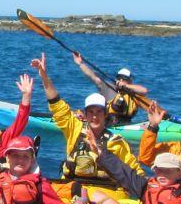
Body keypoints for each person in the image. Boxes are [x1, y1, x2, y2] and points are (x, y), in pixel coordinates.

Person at [31, 53, 141, 183]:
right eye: (91, 112)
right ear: (85, 114)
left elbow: (136, 172)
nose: (94, 116)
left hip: (106, 192)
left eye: (99, 112)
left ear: (105, 114)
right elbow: (56, 103)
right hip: (72, 188)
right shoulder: (75, 129)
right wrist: (43, 75)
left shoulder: (116, 142)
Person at [70, 53, 150, 127]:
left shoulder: (133, 92)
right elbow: (93, 76)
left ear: (130, 81)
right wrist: (80, 63)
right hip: (108, 123)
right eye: (120, 78)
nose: (121, 81)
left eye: (125, 79)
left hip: (126, 124)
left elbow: (145, 91)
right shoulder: (108, 86)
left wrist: (126, 86)